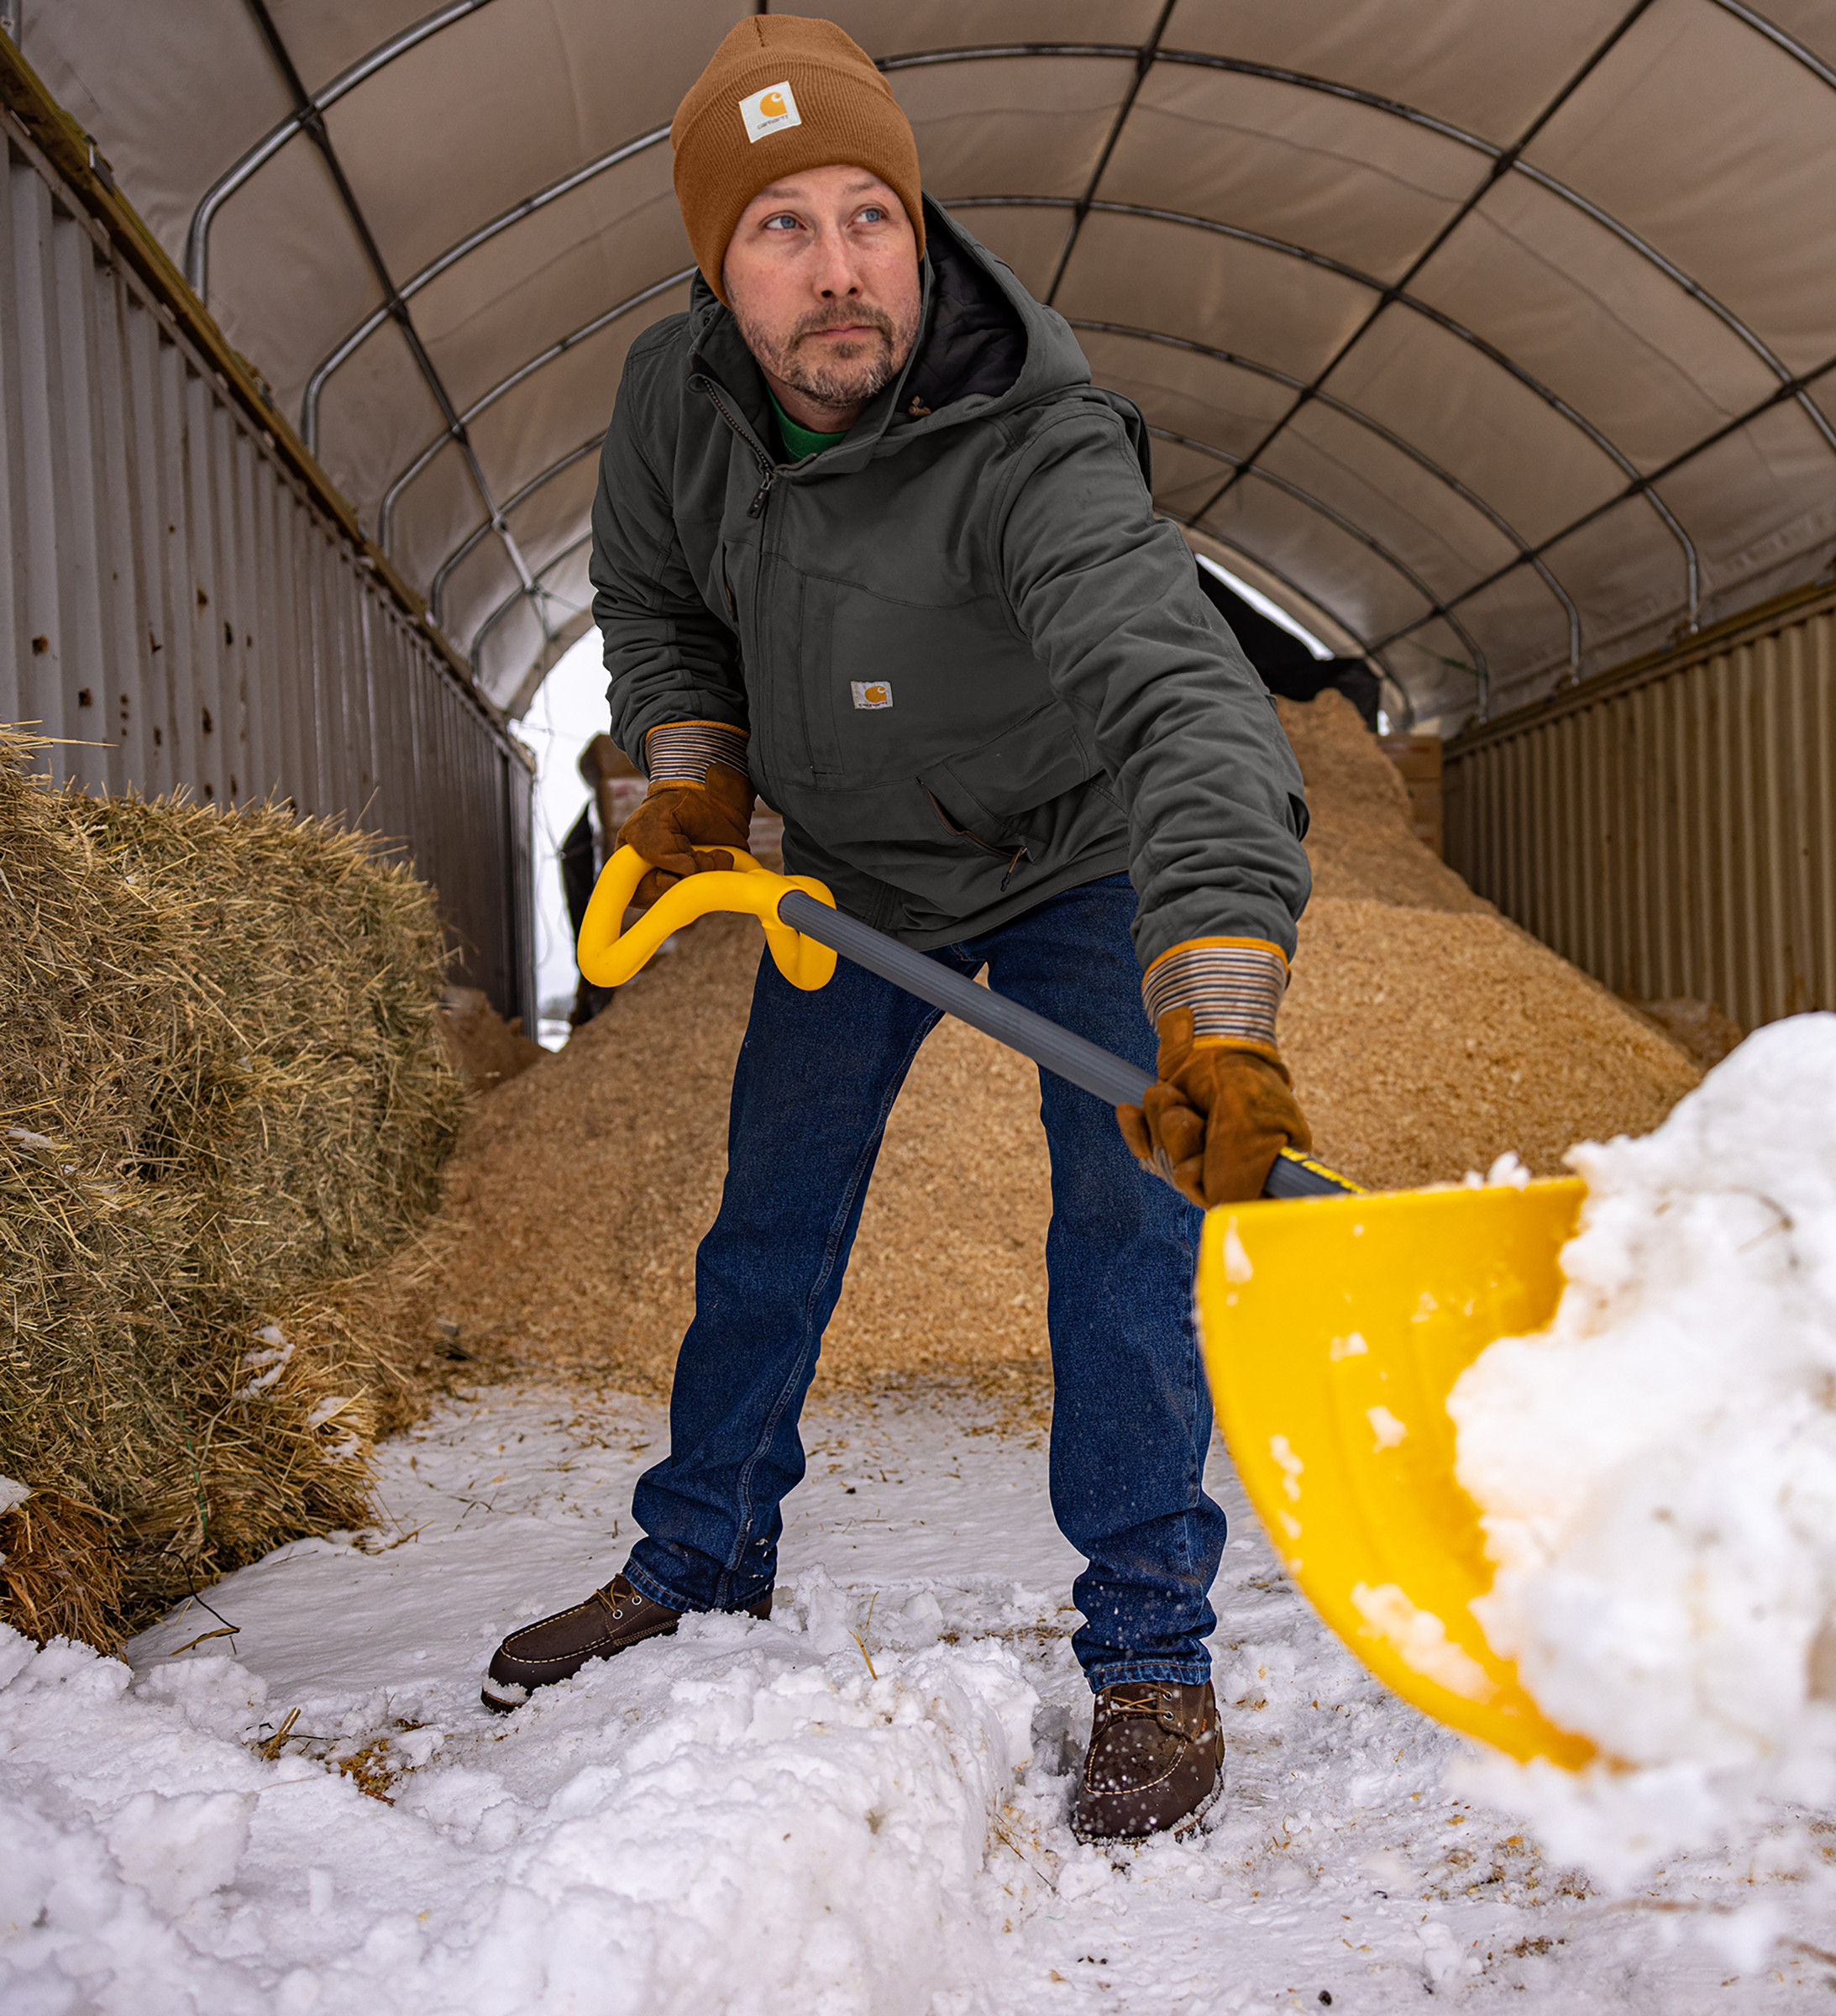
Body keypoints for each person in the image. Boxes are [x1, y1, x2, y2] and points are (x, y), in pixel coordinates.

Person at [479, 15, 1314, 1845]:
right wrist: (694, 769)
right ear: (719, 269)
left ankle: (1152, 1647)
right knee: (772, 1209)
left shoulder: (1038, 438)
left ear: (919, 235)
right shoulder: (673, 399)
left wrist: (1219, 1006)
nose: (841, 267)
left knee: (1128, 1229)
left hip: (1081, 851)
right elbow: (652, 597)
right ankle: (699, 1556)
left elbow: (1185, 703)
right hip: (857, 869)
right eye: (782, 227)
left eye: (874, 215)